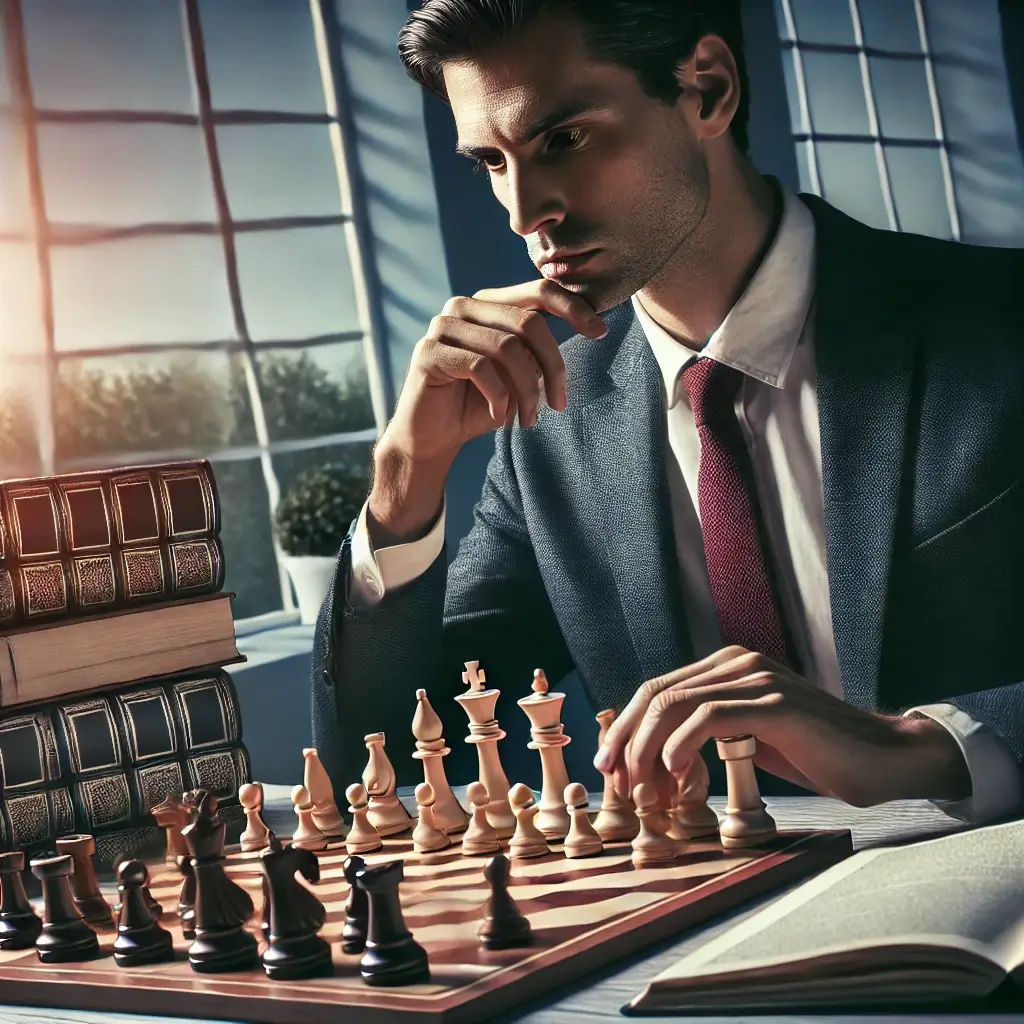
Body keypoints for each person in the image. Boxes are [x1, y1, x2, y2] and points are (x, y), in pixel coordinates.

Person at [310, 0, 1024, 824]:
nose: (523, 212)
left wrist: (923, 746)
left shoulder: (1000, 326)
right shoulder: (553, 429)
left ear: (708, 91)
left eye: (564, 139)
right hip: (717, 929)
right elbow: (387, 757)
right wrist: (405, 482)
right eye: (492, 163)